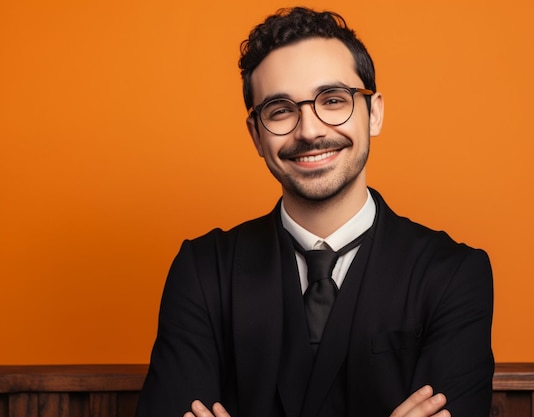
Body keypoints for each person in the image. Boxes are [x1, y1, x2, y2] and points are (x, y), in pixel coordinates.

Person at [136, 6, 494, 417]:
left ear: (373, 112)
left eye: (334, 100)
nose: (309, 130)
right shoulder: (201, 272)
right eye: (281, 110)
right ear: (256, 134)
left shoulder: (453, 274)